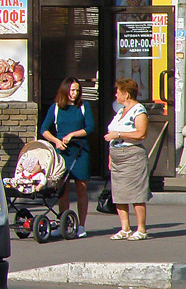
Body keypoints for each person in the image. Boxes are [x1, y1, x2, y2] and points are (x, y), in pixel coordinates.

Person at [39, 77, 94, 236]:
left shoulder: (84, 106)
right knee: (62, 189)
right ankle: (65, 223)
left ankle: (81, 226)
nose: (75, 94)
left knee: (81, 189)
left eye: (77, 90)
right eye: (72, 90)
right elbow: (44, 129)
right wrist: (56, 141)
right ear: (65, 90)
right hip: (62, 152)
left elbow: (90, 127)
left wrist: (72, 135)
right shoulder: (56, 107)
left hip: (80, 151)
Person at [104, 77, 150, 241]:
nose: (116, 95)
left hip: (132, 156)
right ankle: (125, 228)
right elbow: (113, 134)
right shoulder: (120, 111)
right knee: (119, 194)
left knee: (136, 194)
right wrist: (110, 156)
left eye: (118, 92)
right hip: (117, 156)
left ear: (126, 94)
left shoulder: (139, 110)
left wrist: (118, 134)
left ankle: (141, 229)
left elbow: (140, 133)